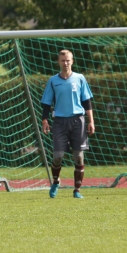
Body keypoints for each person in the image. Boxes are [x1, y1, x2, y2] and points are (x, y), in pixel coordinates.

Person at [40, 49, 95, 199]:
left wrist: (91, 121)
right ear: (58, 62)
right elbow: (46, 103)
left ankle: (77, 190)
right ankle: (56, 181)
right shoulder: (53, 81)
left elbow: (87, 102)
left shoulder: (80, 78)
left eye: (68, 60)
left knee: (78, 156)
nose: (65, 63)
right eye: (63, 60)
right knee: (58, 156)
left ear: (72, 61)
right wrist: (45, 120)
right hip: (59, 122)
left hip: (78, 121)